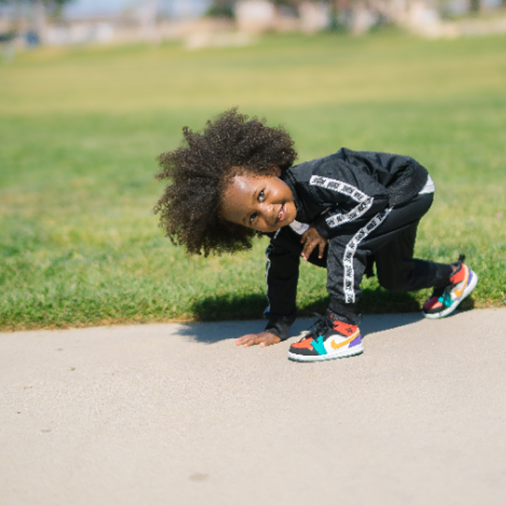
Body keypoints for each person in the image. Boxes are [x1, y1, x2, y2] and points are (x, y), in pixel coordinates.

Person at [155, 109, 478, 362]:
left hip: (406, 188)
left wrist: (324, 227)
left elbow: (373, 198)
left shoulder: (317, 178)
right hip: (378, 206)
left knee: (345, 240)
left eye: (262, 194)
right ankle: (454, 276)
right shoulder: (282, 233)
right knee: (396, 277)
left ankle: (342, 328)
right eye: (252, 217)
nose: (267, 212)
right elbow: (280, 273)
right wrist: (277, 326)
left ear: (272, 169)